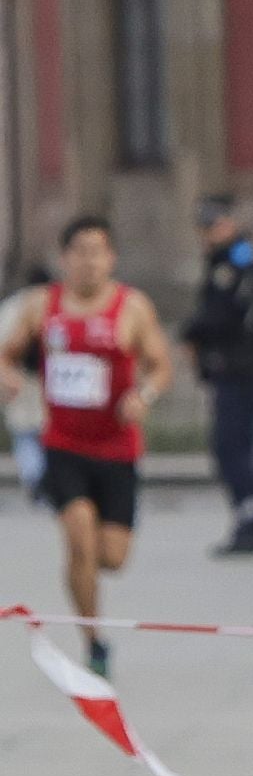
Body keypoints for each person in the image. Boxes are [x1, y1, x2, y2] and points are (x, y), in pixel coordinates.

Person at [0, 217, 173, 678]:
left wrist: (145, 396)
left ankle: (85, 569)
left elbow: (160, 367)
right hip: (63, 444)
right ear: (65, 258)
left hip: (117, 448)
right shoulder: (43, 306)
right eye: (79, 251)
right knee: (78, 537)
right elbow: (7, 351)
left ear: (111, 258)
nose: (88, 261)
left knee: (111, 558)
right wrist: (8, 373)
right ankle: (93, 639)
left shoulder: (131, 308)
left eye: (97, 251)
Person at [182, 196, 253, 555]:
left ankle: (251, 521)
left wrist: (192, 333)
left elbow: (225, 314)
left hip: (241, 367)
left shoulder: (237, 263)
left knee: (230, 447)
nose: (207, 235)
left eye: (213, 226)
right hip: (234, 367)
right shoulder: (225, 261)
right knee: (234, 448)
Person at [0, 265, 52, 505]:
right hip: (32, 378)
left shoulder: (12, 306)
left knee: (26, 435)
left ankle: (36, 478)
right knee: (36, 433)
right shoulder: (53, 301)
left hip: (25, 379)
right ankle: (41, 479)